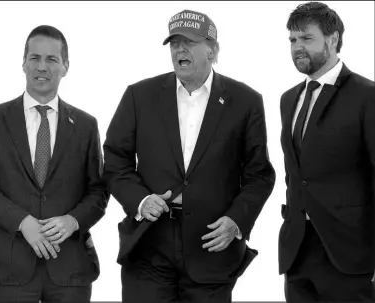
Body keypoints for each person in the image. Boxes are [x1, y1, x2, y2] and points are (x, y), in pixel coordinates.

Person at [103, 9, 275, 303]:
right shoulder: (139, 96)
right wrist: (141, 200)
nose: (179, 49)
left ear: (213, 50)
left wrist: (236, 220)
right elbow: (115, 159)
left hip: (211, 249)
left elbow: (259, 175)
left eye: (190, 42)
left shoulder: (245, 101)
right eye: (174, 43)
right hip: (149, 245)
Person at [0, 25, 108, 302]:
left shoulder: (85, 126)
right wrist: (23, 222)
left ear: (66, 66)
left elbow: (98, 192)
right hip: (8, 267)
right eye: (34, 58)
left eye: (52, 59)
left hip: (69, 270)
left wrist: (73, 221)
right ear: (23, 63)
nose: (42, 67)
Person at [278, 2, 375, 302]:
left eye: (307, 38)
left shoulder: (367, 96)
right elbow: (295, 173)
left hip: (348, 252)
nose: (297, 48)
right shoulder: (288, 99)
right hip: (297, 251)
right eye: (293, 40)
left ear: (332, 39)